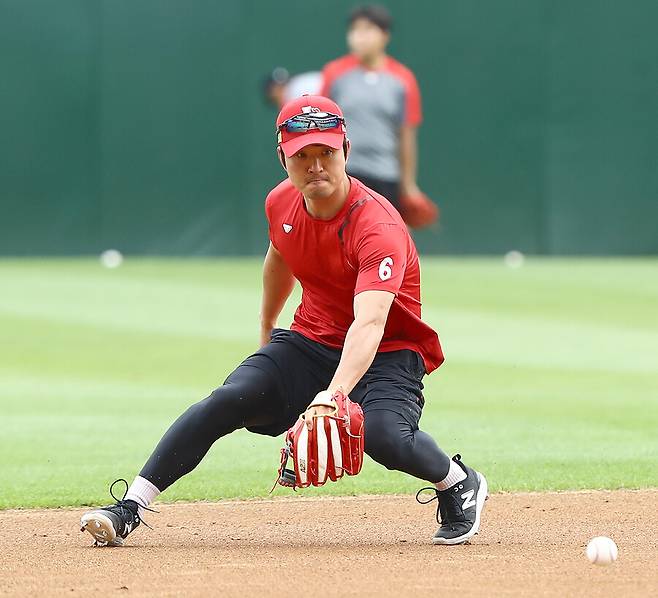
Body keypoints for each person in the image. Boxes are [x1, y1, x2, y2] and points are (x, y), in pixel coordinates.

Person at [79, 95, 487, 548]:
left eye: (326, 153)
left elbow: (370, 323)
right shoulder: (281, 204)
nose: (316, 166)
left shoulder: (378, 227)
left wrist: (333, 396)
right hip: (309, 341)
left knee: (384, 435)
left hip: (389, 351)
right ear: (283, 159)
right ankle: (130, 506)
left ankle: (457, 482)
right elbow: (280, 259)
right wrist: (268, 329)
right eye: (302, 156)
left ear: (346, 151)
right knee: (227, 399)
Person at [320, 4, 426, 214]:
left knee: (384, 240)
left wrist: (408, 184)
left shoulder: (403, 79)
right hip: (346, 173)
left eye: (368, 30)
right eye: (354, 30)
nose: (359, 37)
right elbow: (322, 126)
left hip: (386, 175)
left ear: (385, 35)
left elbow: (406, 135)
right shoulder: (334, 73)